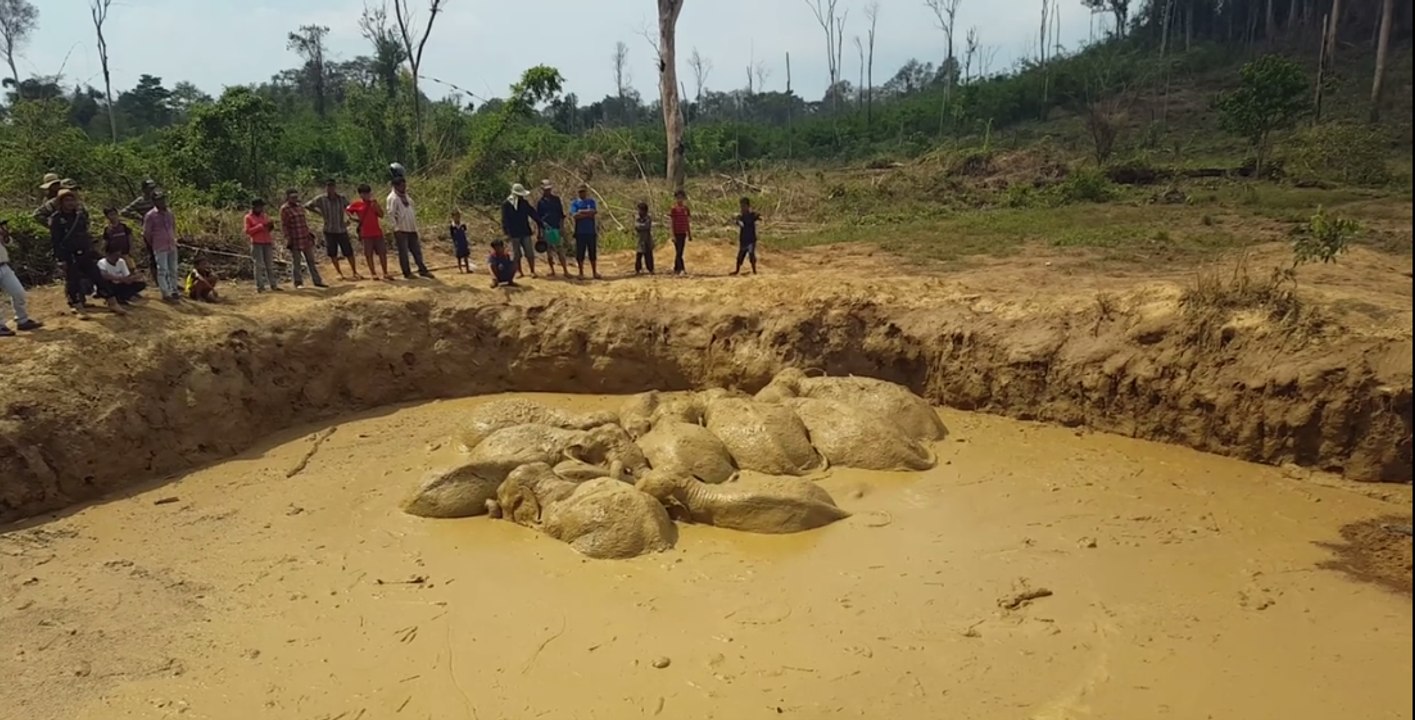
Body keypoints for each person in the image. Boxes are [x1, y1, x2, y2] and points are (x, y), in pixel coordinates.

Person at [50, 189, 120, 315]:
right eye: (67, 200)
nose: (70, 203)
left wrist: (91, 249)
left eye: (72, 200)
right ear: (61, 202)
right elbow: (56, 241)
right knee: (73, 280)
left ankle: (112, 302)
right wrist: (61, 259)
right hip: (69, 254)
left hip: (85, 251)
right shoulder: (56, 219)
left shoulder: (79, 215)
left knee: (97, 275)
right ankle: (77, 306)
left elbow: (85, 233)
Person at [305, 178, 360, 280]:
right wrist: (319, 213)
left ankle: (354, 271)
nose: (330, 188)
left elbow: (349, 209)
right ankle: (339, 273)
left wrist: (351, 218)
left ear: (335, 187)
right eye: (328, 186)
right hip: (329, 230)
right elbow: (307, 205)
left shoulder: (341, 198)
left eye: (332, 186)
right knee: (332, 252)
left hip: (341, 229)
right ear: (326, 187)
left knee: (348, 251)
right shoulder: (321, 199)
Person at [0, 219, 43, 336]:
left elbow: (9, 243)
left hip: (3, 265)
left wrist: (5, 235)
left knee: (18, 292)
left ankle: (22, 320)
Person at [386, 175, 433, 279]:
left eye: (404, 185)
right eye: (401, 186)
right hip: (401, 229)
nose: (404, 188)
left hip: (411, 228)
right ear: (395, 186)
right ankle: (407, 272)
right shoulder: (392, 198)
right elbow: (391, 214)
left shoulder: (406, 196)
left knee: (417, 251)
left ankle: (422, 270)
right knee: (403, 253)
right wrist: (396, 228)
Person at [280, 189, 328, 289]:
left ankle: (317, 281)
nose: (295, 199)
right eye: (292, 197)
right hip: (295, 238)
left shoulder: (300, 207)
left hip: (305, 237)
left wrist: (309, 233)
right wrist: (288, 238)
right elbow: (284, 225)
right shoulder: (285, 209)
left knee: (311, 260)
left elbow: (304, 222)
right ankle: (298, 282)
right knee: (296, 262)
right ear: (288, 197)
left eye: (296, 197)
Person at [143, 191, 182, 302]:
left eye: (163, 199)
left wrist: (173, 238)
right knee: (162, 269)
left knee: (173, 269)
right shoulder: (150, 215)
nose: (162, 202)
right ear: (154, 201)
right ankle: (166, 293)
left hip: (171, 244)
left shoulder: (169, 213)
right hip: (159, 246)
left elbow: (173, 227)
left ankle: (174, 290)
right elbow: (147, 233)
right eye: (159, 199)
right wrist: (153, 243)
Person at [347, 185, 391, 281]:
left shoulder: (373, 203)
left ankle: (385, 272)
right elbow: (347, 211)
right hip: (366, 234)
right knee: (369, 254)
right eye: (365, 193)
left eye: (368, 193)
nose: (367, 195)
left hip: (377, 232)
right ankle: (373, 273)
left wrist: (376, 206)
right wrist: (353, 219)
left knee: (382, 253)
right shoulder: (357, 204)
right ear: (361, 194)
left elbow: (381, 215)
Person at [501, 182, 543, 278]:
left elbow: (532, 212)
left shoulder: (524, 203)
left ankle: (532, 271)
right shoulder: (506, 204)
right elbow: (504, 220)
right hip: (513, 232)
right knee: (517, 254)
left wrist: (539, 222)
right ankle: (519, 271)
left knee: (529, 252)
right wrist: (506, 233)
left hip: (525, 231)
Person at [123, 179, 161, 279]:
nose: (151, 190)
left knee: (164, 254)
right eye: (149, 188)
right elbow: (124, 211)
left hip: (161, 230)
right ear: (144, 189)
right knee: (153, 255)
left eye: (153, 188)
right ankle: (156, 279)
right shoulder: (140, 201)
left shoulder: (156, 199)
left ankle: (165, 278)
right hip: (149, 231)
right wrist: (139, 217)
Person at [244, 198, 281, 292]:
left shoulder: (264, 216)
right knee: (259, 265)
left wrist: (270, 226)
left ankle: (273, 285)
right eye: (259, 206)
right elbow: (247, 231)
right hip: (257, 242)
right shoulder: (248, 217)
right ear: (254, 207)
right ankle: (260, 286)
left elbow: (267, 228)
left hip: (267, 241)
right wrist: (260, 227)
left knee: (269, 264)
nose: (261, 208)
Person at [536, 180, 569, 277]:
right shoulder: (540, 202)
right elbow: (539, 219)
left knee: (560, 250)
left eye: (549, 189)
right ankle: (552, 270)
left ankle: (565, 270)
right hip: (546, 229)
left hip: (556, 228)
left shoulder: (556, 200)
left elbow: (561, 215)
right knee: (549, 251)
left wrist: (562, 228)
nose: (548, 191)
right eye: (546, 189)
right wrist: (539, 232)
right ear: (543, 190)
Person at [570, 184, 601, 280]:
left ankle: (594, 272)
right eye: (580, 192)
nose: (582, 193)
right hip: (580, 232)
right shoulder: (574, 203)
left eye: (583, 191)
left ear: (586, 192)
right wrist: (587, 213)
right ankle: (581, 273)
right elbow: (575, 215)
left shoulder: (591, 201)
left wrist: (581, 213)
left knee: (592, 252)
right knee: (580, 253)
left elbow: (593, 212)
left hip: (591, 231)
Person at [732, 197, 761, 276]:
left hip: (751, 239)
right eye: (741, 206)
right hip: (743, 239)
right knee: (740, 255)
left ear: (748, 206)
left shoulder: (752, 215)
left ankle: (754, 271)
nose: (742, 208)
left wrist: (758, 217)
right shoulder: (741, 216)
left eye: (744, 206)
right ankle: (737, 270)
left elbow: (759, 217)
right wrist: (737, 221)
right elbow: (737, 221)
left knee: (751, 254)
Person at [668, 189, 693, 275]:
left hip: (683, 233)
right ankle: (681, 268)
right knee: (679, 252)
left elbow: (687, 222)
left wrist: (689, 233)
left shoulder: (686, 209)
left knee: (680, 251)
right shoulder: (674, 209)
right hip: (676, 232)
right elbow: (672, 222)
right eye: (678, 198)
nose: (680, 200)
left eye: (681, 198)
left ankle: (676, 268)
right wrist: (672, 235)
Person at [634, 201, 655, 275]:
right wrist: (642, 226)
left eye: (641, 210)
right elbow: (636, 226)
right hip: (640, 239)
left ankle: (650, 269)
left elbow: (647, 226)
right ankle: (638, 269)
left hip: (647, 239)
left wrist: (641, 226)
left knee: (648, 255)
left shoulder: (648, 217)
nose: (639, 211)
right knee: (639, 255)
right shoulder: (637, 217)